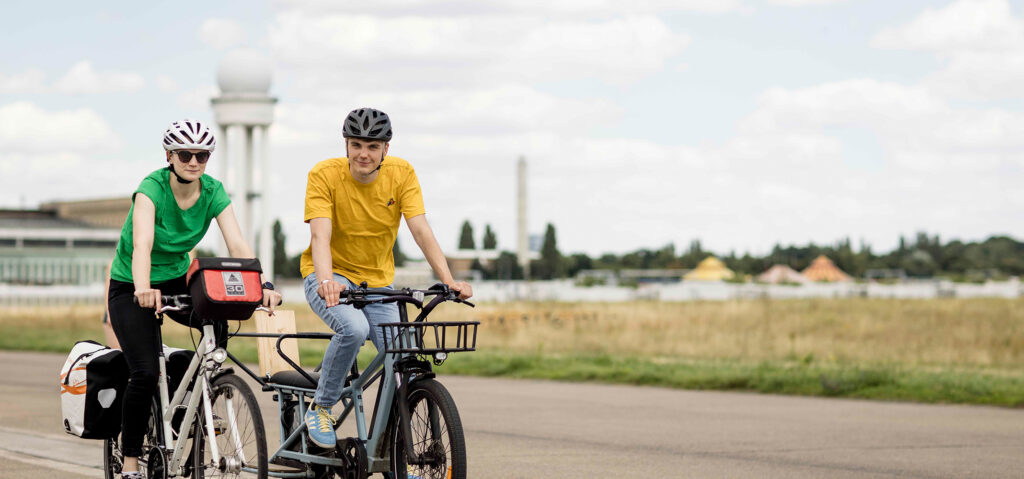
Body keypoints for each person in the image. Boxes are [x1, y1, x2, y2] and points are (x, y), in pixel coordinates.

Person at [107, 119, 282, 479]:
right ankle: (128, 464)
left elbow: (237, 243)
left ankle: (202, 394)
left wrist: (260, 285)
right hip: (131, 284)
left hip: (175, 278)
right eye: (185, 154)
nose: (194, 161)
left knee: (220, 314)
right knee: (143, 372)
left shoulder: (213, 191)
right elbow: (142, 245)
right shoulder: (151, 189)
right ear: (169, 156)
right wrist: (143, 288)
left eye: (201, 155)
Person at [300, 107, 472, 448]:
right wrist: (325, 281)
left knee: (404, 357)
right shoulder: (324, 174)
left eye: (373, 146)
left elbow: (421, 230)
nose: (364, 153)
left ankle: (392, 449)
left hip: (379, 284)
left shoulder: (402, 173)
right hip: (331, 275)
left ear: (386, 149)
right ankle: (321, 407)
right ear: (346, 145)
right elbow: (320, 236)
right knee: (354, 329)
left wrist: (449, 280)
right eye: (357, 145)